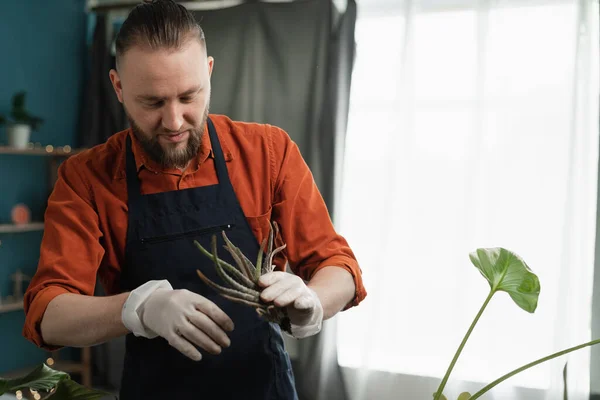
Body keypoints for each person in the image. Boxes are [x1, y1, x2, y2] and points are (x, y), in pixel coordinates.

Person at [22, 1, 366, 399]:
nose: (173, 122)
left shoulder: (267, 152)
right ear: (118, 87)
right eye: (152, 102)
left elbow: (338, 267)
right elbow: (48, 314)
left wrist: (313, 302)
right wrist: (140, 307)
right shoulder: (87, 178)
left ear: (209, 72)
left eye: (189, 97)